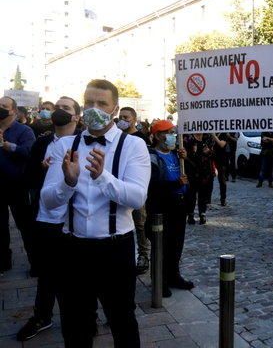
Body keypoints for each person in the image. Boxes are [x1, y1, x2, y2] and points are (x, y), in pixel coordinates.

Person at [41, 79, 150, 347]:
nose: (94, 108)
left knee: (123, 320)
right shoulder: (65, 145)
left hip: (116, 247)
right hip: (73, 247)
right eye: (89, 102)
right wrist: (68, 182)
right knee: (75, 324)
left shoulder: (133, 146)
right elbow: (47, 201)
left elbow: (137, 197)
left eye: (101, 103)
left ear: (114, 108)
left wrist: (103, 177)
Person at [17, 96, 81, 341]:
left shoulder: (82, 143)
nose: (59, 111)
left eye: (66, 108)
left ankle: (88, 317)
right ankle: (42, 316)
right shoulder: (42, 143)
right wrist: (45, 171)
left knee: (76, 275)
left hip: (73, 220)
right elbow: (28, 177)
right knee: (46, 271)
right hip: (46, 219)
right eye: (57, 107)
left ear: (76, 116)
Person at [147, 120, 194, 298]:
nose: (173, 136)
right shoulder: (151, 157)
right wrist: (175, 183)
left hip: (179, 205)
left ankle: (174, 276)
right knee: (162, 245)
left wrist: (186, 158)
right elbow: (152, 186)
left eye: (174, 132)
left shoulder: (176, 154)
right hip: (162, 207)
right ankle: (160, 280)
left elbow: (190, 175)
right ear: (159, 136)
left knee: (176, 244)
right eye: (169, 132)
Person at [0, 96, 36, 272]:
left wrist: (7, 145)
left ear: (13, 110)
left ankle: (35, 263)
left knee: (25, 226)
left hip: (18, 186)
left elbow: (29, 153)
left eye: (4, 106)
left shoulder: (24, 131)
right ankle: (4, 262)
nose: (0, 108)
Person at [118, 106, 150, 274]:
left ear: (134, 119)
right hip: (118, 186)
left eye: (126, 117)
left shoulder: (140, 139)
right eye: (120, 116)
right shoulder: (116, 137)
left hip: (134, 187)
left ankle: (143, 255)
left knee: (140, 223)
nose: (122, 120)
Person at [185, 133, 215, 225]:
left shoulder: (208, 137)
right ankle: (190, 215)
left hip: (205, 171)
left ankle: (202, 214)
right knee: (191, 194)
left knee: (203, 193)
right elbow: (183, 153)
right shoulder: (188, 137)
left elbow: (213, 154)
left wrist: (209, 152)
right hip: (191, 169)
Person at [212, 133, 229, 206]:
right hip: (211, 159)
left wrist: (214, 136)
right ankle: (207, 199)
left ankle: (223, 199)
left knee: (222, 180)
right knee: (208, 179)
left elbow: (221, 144)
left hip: (221, 160)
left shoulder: (223, 134)